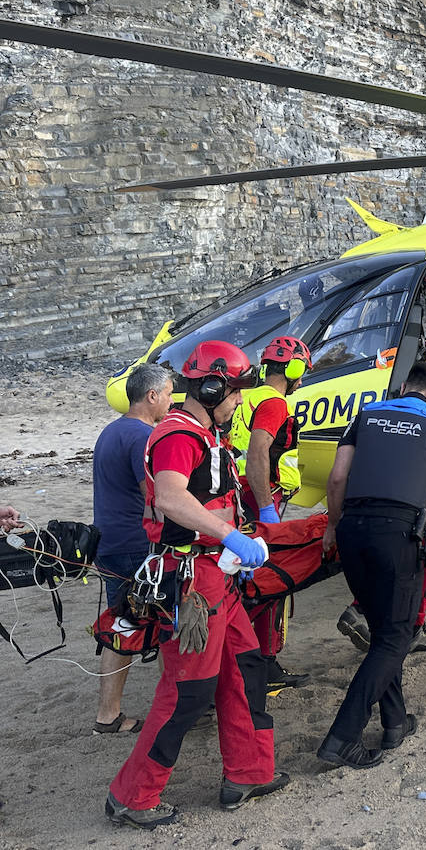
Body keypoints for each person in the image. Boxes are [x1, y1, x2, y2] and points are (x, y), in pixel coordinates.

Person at [106, 341, 288, 828]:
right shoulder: (178, 436)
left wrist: (234, 544)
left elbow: (207, 501)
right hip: (191, 584)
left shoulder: (205, 437)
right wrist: (233, 538)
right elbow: (169, 497)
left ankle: (248, 773)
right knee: (188, 690)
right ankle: (131, 796)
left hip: (214, 578)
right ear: (211, 387)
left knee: (245, 670)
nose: (239, 402)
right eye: (235, 393)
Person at [317, 361, 426, 769]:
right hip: (398, 533)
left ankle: (395, 721)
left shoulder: (366, 415)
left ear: (403, 389)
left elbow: (338, 478)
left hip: (352, 528)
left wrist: (332, 524)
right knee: (396, 636)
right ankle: (342, 736)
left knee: (383, 629)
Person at [335, 353, 426, 655]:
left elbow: (339, 476)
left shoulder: (373, 411)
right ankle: (410, 629)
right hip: (410, 506)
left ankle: (362, 611)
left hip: (358, 509)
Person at [92, 363, 174, 736]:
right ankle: (170, 707)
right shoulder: (142, 436)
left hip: (108, 541)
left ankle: (108, 715)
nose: (172, 402)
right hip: (134, 544)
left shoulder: (110, 431)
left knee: (121, 623)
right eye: (169, 394)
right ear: (151, 395)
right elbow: (155, 499)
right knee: (163, 622)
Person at [230, 335, 313, 690]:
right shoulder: (275, 403)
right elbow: (259, 451)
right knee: (269, 581)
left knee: (242, 581)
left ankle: (247, 661)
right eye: (302, 371)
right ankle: (263, 664)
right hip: (257, 501)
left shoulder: (245, 396)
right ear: (293, 368)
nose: (302, 378)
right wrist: (266, 507)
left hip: (238, 499)